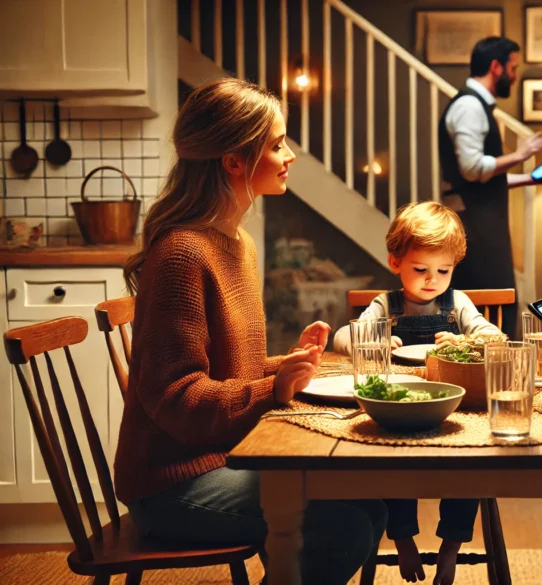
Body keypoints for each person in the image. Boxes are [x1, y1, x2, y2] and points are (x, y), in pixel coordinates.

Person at [115, 78, 387, 585]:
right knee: (342, 528)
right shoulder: (183, 253)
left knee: (369, 503)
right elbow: (175, 398)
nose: (289, 156)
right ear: (234, 161)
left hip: (223, 456)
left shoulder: (237, 243)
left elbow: (228, 372)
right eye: (277, 143)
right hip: (173, 483)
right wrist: (271, 390)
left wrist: (283, 368)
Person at [333, 201, 502, 585]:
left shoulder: (456, 303)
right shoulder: (385, 305)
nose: (432, 280)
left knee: (470, 465)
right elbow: (343, 337)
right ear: (395, 263)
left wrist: (465, 338)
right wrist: (373, 338)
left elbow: (493, 336)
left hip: (452, 408)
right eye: (420, 269)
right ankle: (403, 537)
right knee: (390, 465)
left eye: (443, 271)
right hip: (396, 407)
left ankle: (451, 548)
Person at [439, 36, 542, 336]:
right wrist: (520, 155)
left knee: (498, 305)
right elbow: (473, 169)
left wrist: (530, 178)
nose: (514, 76)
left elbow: (481, 179)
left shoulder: (477, 106)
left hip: (481, 223)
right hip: (475, 229)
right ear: (495, 66)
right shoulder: (469, 106)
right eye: (513, 67)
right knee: (491, 307)